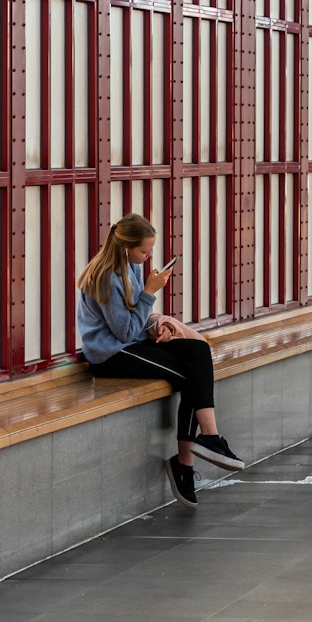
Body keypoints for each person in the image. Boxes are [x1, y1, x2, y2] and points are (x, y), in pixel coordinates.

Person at [76, 212, 243, 509]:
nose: (149, 255)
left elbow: (134, 323)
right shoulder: (105, 277)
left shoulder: (132, 266)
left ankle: (209, 437)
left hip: (132, 343)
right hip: (110, 354)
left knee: (197, 351)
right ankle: (187, 460)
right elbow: (123, 330)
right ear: (126, 247)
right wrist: (150, 293)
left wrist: (157, 329)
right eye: (144, 250)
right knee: (190, 375)